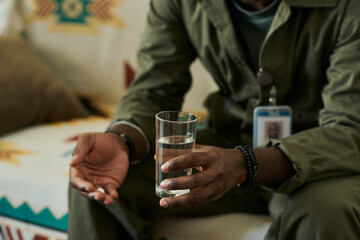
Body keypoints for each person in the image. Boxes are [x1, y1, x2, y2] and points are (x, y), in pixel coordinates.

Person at [68, 0, 360, 239]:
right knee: (98, 184)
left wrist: (245, 164)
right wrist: (122, 140)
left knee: (325, 209)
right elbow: (155, 89)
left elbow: (350, 127)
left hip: (326, 157)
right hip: (231, 140)